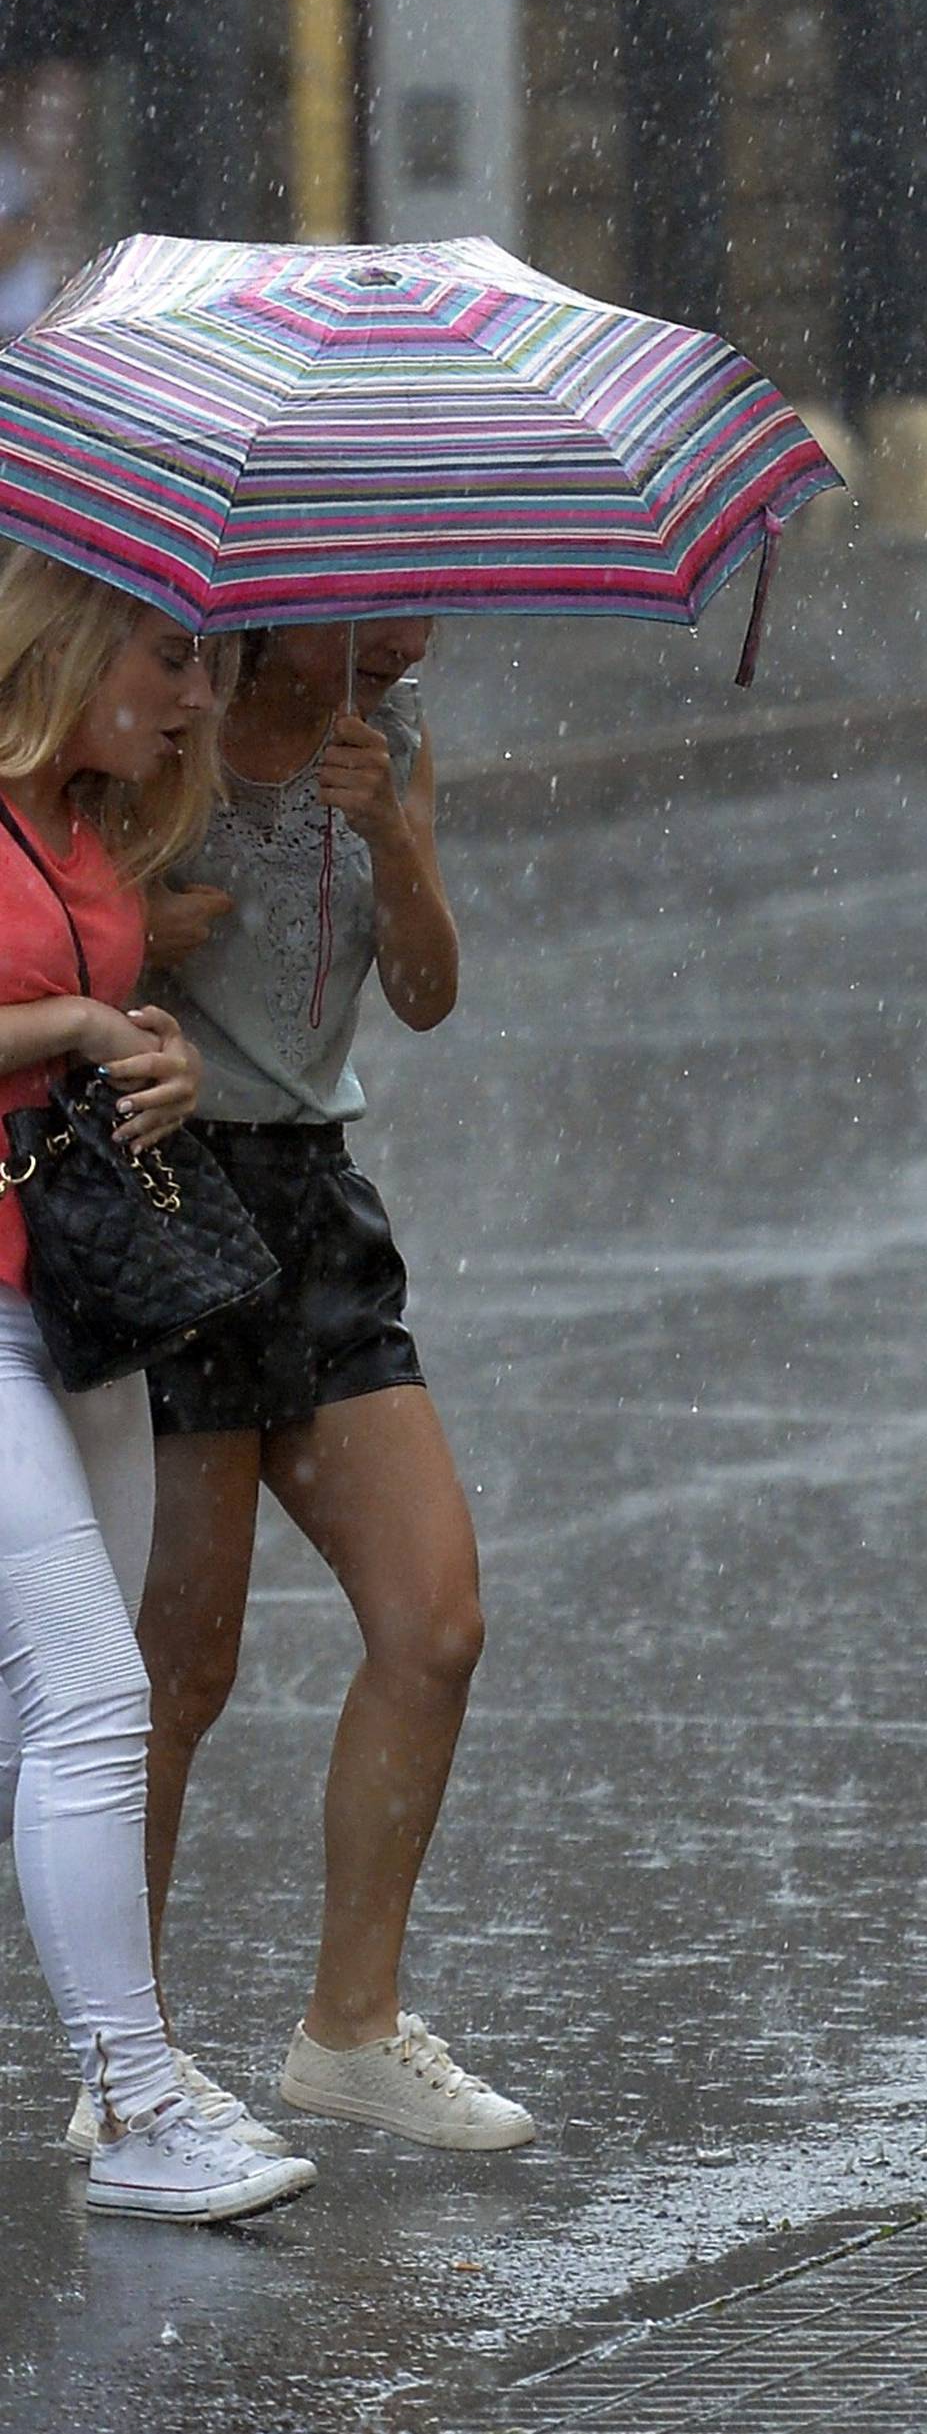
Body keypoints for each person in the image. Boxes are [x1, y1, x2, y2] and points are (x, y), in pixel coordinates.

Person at [67, 615, 533, 2156]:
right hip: (172, 1194)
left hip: (319, 1210)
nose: (408, 640)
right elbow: (60, 943)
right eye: (377, 608)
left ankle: (351, 2026)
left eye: (423, 609)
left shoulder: (387, 742)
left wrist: (394, 833)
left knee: (436, 1617)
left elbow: (427, 990)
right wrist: (150, 929)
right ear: (282, 593)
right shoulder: (162, 725)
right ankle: (119, 2056)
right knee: (178, 1669)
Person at [0, 545, 316, 2220]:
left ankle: (130, 2071)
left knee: (64, 1709)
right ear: (71, 638)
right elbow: (53, 1018)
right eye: (175, 657)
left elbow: (94, 1020)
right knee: (93, 1699)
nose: (198, 695)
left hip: (77, 1306)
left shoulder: (86, 819)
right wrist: (70, 1022)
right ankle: (130, 2104)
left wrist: (155, 1052)